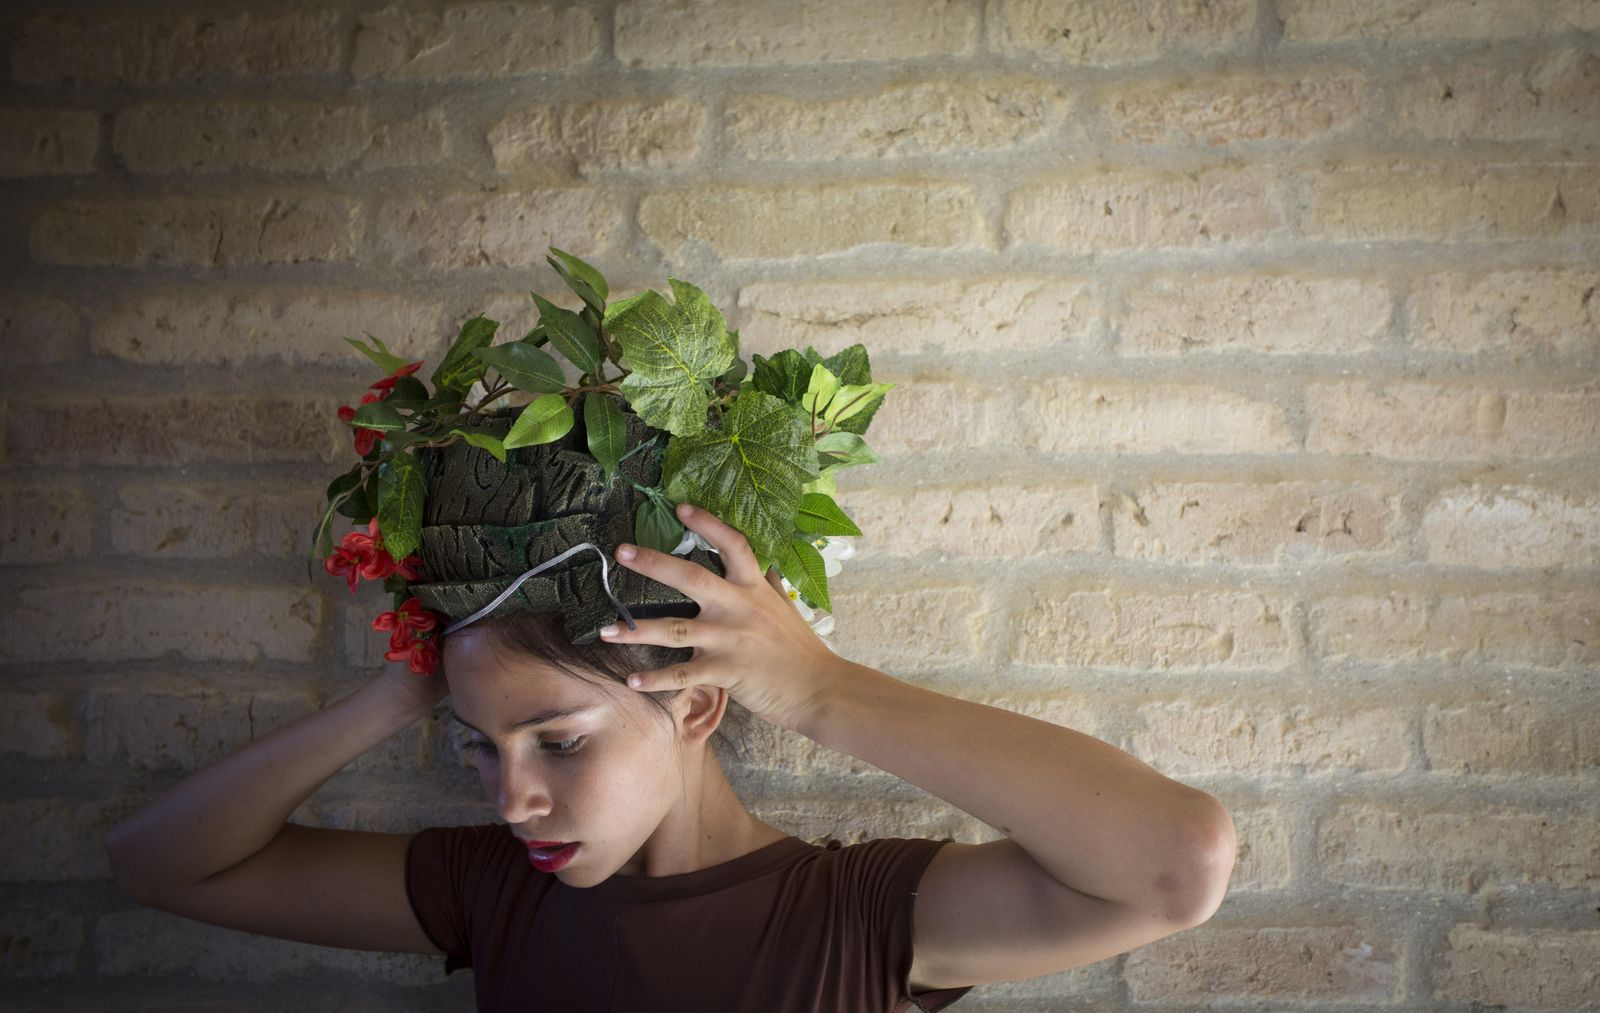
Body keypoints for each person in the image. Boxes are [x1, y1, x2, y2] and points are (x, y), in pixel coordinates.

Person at [106, 277, 1237, 1009]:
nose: (511, 799)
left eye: (555, 740)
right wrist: (419, 680)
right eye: (478, 751)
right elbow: (159, 864)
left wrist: (821, 690)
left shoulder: (859, 915)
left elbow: (1176, 860)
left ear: (696, 702)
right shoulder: (492, 890)